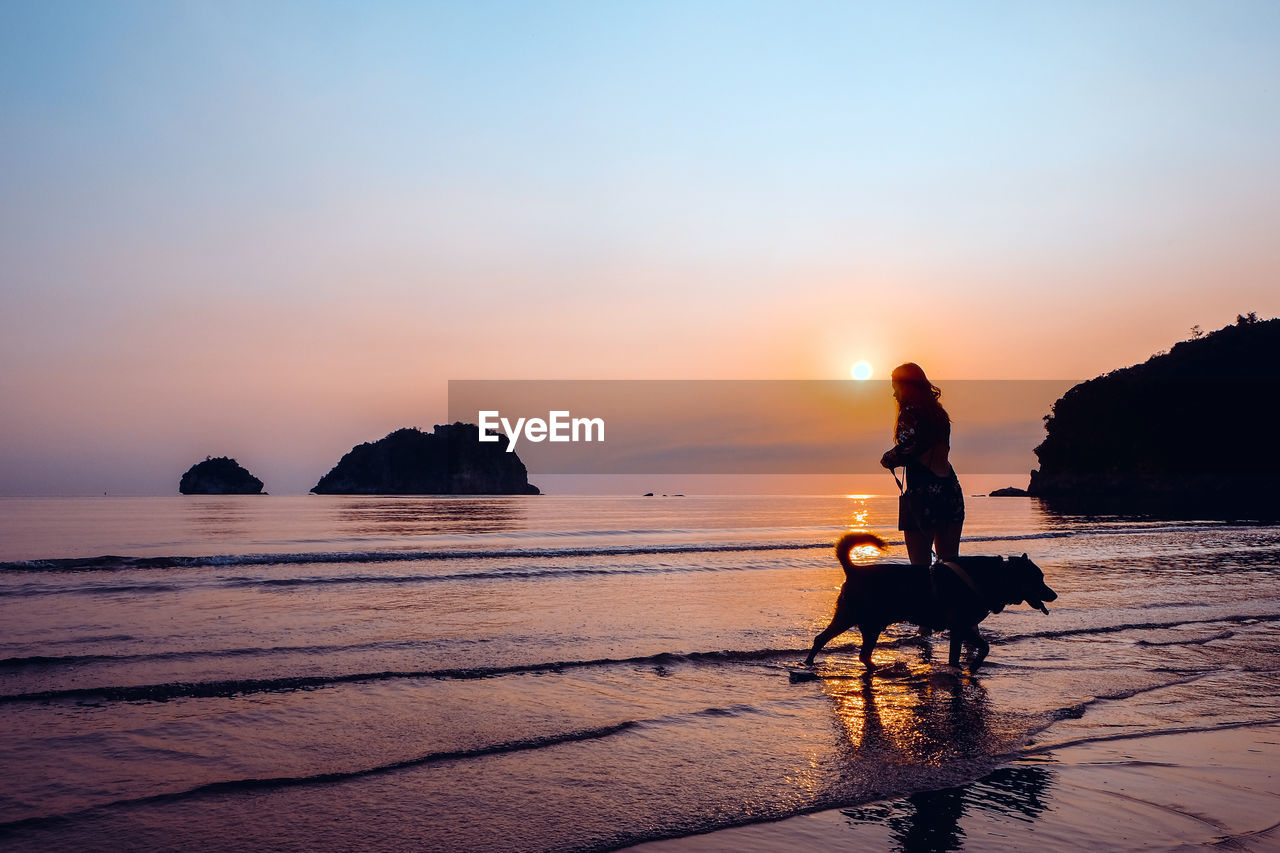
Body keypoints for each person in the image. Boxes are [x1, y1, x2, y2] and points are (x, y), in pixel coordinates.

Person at [879, 363, 964, 566]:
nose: (894, 394)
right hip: (950, 489)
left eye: (895, 387)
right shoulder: (939, 415)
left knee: (920, 570)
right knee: (950, 566)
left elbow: (908, 449)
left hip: (923, 494)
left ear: (906, 387)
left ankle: (926, 599)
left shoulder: (910, 412)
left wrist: (887, 459)